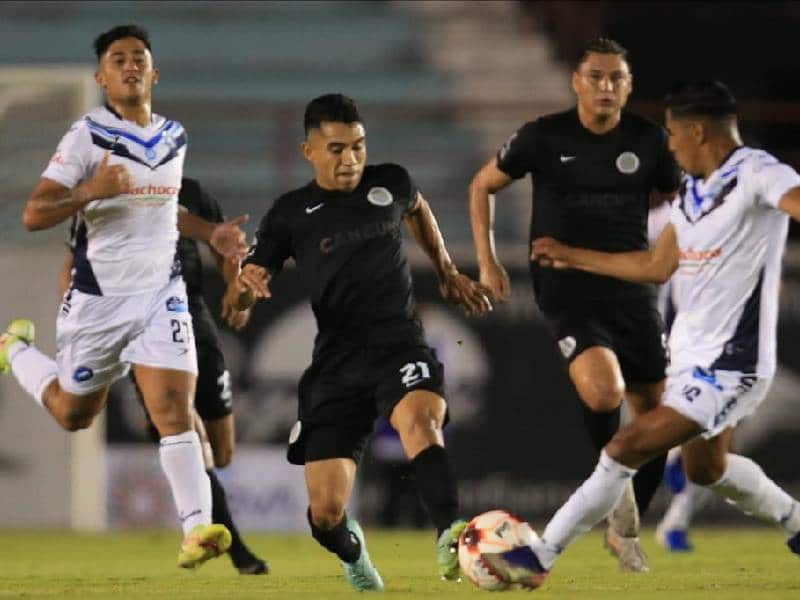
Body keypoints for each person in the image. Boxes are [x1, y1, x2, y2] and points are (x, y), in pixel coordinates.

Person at [511, 80, 800, 588]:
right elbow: (655, 264)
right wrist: (572, 256)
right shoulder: (690, 192)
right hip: (689, 359)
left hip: (733, 364)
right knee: (707, 471)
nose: (667, 146)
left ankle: (540, 553)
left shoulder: (758, 173)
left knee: (625, 444)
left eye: (671, 135)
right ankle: (796, 522)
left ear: (696, 131)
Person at [0, 25, 247, 569]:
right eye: (118, 59)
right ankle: (15, 350)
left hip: (161, 294)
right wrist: (89, 191)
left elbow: (163, 208)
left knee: (173, 411)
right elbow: (33, 212)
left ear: (154, 73)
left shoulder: (174, 136)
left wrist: (211, 235)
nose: (130, 65)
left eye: (139, 58)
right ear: (102, 77)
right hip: (99, 301)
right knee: (72, 414)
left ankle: (198, 531)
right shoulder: (86, 135)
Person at [224, 93, 492, 591]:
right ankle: (353, 551)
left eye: (358, 147)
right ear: (309, 151)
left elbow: (418, 208)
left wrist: (448, 270)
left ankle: (452, 535)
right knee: (326, 513)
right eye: (336, 149)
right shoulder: (290, 213)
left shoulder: (389, 182)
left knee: (421, 422)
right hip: (335, 365)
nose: (350, 159)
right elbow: (240, 297)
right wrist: (244, 287)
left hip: (399, 344)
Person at [468, 37, 680, 571]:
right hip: (567, 291)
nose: (605, 87)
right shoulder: (544, 136)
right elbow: (482, 185)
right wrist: (488, 261)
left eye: (616, 79)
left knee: (656, 421)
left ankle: (624, 518)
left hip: (633, 291)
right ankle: (619, 495)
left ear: (629, 87)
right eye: (596, 77)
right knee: (604, 390)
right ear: (576, 81)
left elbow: (684, 202)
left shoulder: (649, 142)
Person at [58, 178, 268, 574]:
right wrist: (78, 326)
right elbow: (73, 264)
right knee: (192, 438)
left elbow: (224, 251)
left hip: (194, 322)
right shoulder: (106, 197)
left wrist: (236, 284)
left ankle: (178, 447)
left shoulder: (191, 193)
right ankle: (237, 551)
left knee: (222, 453)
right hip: (146, 330)